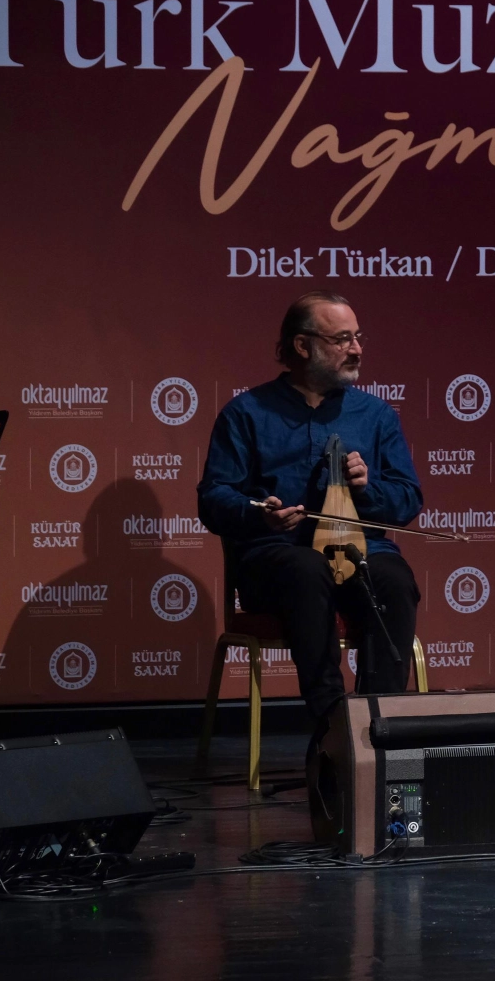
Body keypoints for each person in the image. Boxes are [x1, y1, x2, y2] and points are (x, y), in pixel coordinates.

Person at [197, 291, 423, 747]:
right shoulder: (246, 413)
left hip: (360, 551)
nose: (356, 349)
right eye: (341, 339)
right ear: (303, 346)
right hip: (278, 559)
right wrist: (259, 513)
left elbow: (407, 499)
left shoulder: (375, 415)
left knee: (394, 580)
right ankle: (332, 730)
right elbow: (214, 498)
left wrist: (367, 488)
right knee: (306, 569)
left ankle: (379, 731)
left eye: (357, 337)